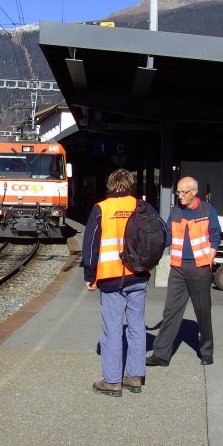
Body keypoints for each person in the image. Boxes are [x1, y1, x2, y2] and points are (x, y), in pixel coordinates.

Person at [82, 168, 150, 397]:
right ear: (129, 184)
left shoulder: (101, 209)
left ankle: (112, 381)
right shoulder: (141, 206)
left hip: (111, 278)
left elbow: (91, 245)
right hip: (138, 275)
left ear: (110, 185)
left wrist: (90, 276)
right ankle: (134, 377)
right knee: (137, 327)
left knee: (112, 329)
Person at [146, 176, 221, 367]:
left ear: (194, 192)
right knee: (170, 311)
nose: (179, 196)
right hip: (178, 268)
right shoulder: (176, 212)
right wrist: (151, 247)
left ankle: (206, 351)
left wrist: (208, 261)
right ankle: (161, 355)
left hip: (200, 268)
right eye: (178, 192)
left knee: (202, 311)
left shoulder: (207, 210)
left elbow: (215, 237)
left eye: (183, 192)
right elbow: (168, 237)